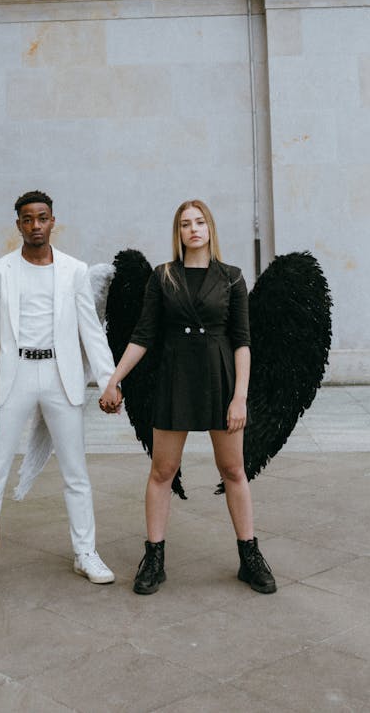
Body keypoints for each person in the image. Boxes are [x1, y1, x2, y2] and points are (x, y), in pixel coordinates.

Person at [99, 200, 276, 595]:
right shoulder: (164, 277)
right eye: (185, 224)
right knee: (163, 472)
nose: (193, 229)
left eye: (199, 222)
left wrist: (240, 397)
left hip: (220, 380)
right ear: (177, 233)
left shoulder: (231, 278)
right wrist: (114, 380)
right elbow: (143, 335)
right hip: (175, 380)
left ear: (210, 228)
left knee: (233, 471)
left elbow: (242, 342)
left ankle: (250, 557)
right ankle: (154, 558)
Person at [0, 190, 117, 594]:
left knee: (76, 473)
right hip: (12, 379)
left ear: (53, 222)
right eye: (27, 219)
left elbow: (90, 331)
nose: (35, 225)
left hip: (59, 376)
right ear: (18, 225)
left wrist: (108, 382)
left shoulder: (74, 271)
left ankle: (86, 553)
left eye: (42, 218)